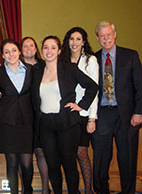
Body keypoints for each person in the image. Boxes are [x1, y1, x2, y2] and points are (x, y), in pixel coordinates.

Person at [31, 35, 98, 194]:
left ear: (59, 50)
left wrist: (81, 106)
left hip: (67, 123)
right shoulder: (37, 71)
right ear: (42, 50)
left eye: (53, 47)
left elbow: (92, 87)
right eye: (46, 47)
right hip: (46, 124)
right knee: (52, 164)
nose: (49, 51)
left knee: (69, 164)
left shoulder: (69, 68)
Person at [91, 21, 142, 194]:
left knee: (127, 157)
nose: (105, 38)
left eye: (108, 34)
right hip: (102, 113)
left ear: (115, 34)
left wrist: (139, 112)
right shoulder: (93, 59)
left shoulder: (131, 56)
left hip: (127, 115)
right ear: (97, 38)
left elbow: (140, 86)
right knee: (100, 159)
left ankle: (128, 191)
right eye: (101, 35)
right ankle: (101, 191)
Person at [61, 27, 99, 194]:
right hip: (67, 115)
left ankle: (89, 190)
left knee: (81, 152)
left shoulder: (90, 60)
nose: (74, 42)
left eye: (78, 39)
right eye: (71, 38)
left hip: (83, 115)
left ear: (84, 41)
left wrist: (92, 118)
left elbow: (94, 90)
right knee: (69, 154)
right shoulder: (62, 61)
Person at [0, 39, 34, 194]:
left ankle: (27, 190)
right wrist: (5, 101)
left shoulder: (31, 70)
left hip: (27, 121)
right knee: (11, 163)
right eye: (6, 52)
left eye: (14, 50)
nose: (11, 54)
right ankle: (13, 192)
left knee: (26, 164)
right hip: (7, 122)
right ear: (3, 55)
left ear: (19, 52)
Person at [21, 36, 49, 194]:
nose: (29, 48)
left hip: (42, 115)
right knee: (23, 154)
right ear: (21, 50)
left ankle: (46, 189)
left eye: (31, 45)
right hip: (23, 116)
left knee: (41, 151)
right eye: (25, 46)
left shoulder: (45, 65)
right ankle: (26, 189)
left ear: (36, 48)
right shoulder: (16, 66)